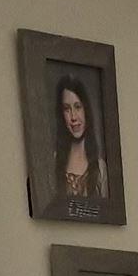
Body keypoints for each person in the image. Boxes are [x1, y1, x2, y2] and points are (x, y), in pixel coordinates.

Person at [53, 75, 101, 209]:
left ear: (87, 110)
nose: (73, 117)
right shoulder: (53, 163)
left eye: (78, 107)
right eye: (67, 109)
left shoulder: (101, 169)